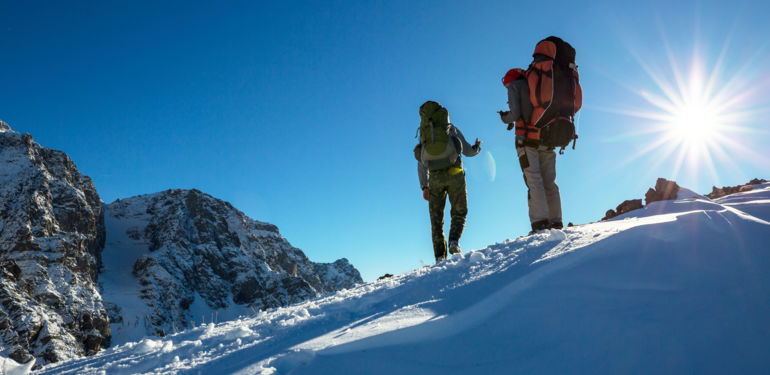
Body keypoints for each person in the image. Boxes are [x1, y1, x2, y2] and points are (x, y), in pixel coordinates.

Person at [414, 101, 482, 263]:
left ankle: (439, 257)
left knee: (436, 219)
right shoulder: (451, 128)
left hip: (435, 177)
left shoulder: (425, 134)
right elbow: (468, 152)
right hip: (455, 173)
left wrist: (424, 186)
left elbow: (421, 162)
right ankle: (454, 241)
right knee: (459, 210)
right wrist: (477, 147)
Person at [499, 65, 563, 234]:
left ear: (508, 80)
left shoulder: (515, 86)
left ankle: (540, 223)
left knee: (534, 181)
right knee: (550, 181)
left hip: (527, 140)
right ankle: (556, 222)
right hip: (547, 139)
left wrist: (504, 117)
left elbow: (516, 114)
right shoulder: (539, 84)